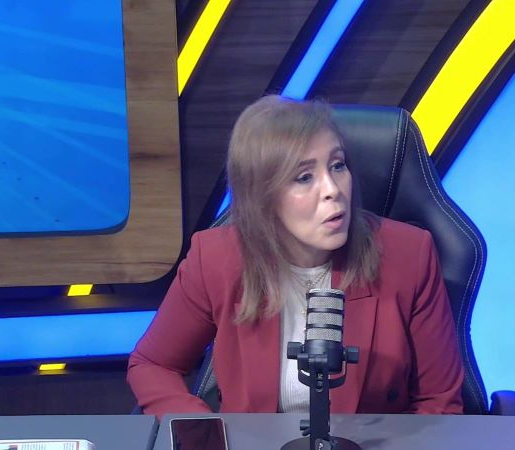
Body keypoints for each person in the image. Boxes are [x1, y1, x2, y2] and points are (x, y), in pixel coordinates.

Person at [127, 95, 464, 418]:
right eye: (305, 177)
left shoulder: (407, 255)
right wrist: (205, 435)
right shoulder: (216, 259)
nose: (333, 189)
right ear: (263, 197)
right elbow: (153, 364)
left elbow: (438, 402)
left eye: (338, 165)